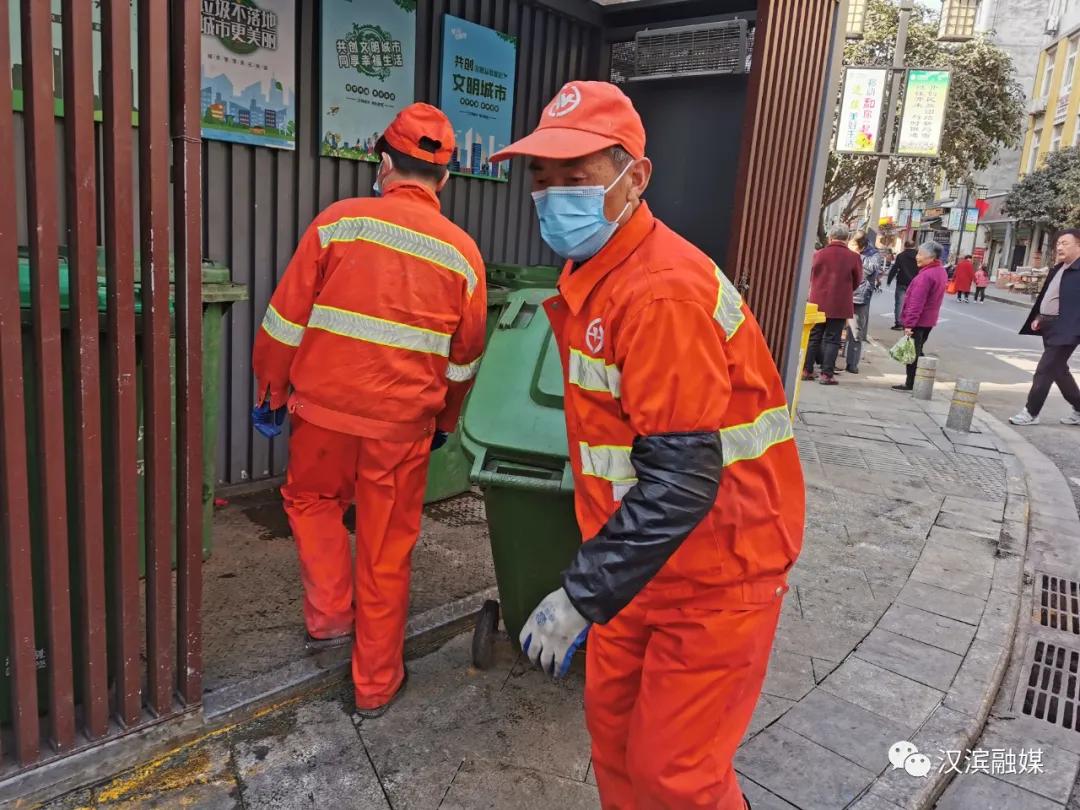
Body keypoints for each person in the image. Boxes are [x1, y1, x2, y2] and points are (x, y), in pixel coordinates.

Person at [491, 81, 804, 809]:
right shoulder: (597, 275)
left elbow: (683, 478)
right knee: (617, 748)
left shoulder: (659, 291)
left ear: (636, 177)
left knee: (676, 777)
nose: (554, 193)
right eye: (543, 176)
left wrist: (580, 593)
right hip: (642, 565)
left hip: (717, 570)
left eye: (579, 174)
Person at [251, 103, 487, 717]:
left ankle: (329, 618)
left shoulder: (337, 224)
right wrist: (444, 422)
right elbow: (464, 361)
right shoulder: (464, 256)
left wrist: (270, 389)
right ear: (446, 179)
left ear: (383, 163)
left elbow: (284, 320)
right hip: (401, 427)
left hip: (322, 413)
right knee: (385, 548)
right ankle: (375, 685)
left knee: (312, 501)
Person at [1009, 228, 1080, 426]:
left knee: (1045, 369)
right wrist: (1040, 316)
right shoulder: (1059, 268)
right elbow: (1051, 296)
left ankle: (1031, 412)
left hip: (1069, 329)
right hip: (1050, 325)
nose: (1059, 247)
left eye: (1065, 243)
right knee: (1058, 369)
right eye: (1058, 243)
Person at [803, 225, 861, 385]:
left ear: (830, 238)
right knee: (833, 339)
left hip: (817, 301)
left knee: (814, 336)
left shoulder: (818, 254)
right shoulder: (853, 257)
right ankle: (826, 374)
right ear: (847, 239)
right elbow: (857, 280)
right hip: (840, 302)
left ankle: (806, 370)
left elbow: (810, 276)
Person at [893, 241, 949, 392]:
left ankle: (911, 383)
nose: (917, 257)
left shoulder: (926, 276)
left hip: (918, 321)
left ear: (931, 257)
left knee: (912, 354)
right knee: (918, 350)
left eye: (920, 255)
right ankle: (919, 380)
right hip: (928, 321)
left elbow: (916, 303)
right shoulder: (940, 271)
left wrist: (909, 324)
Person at [845, 230, 883, 374]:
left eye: (853, 245)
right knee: (832, 329)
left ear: (861, 246)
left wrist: (856, 257)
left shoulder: (873, 255)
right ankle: (826, 362)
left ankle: (852, 363)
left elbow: (868, 270)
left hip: (859, 297)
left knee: (855, 331)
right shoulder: (849, 251)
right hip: (842, 293)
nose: (851, 247)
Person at [888, 240, 919, 329]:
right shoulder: (918, 255)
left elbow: (895, 268)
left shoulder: (901, 256)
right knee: (913, 303)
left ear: (905, 246)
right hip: (915, 283)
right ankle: (910, 323)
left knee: (899, 303)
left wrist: (890, 279)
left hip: (902, 282)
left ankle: (899, 323)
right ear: (914, 246)